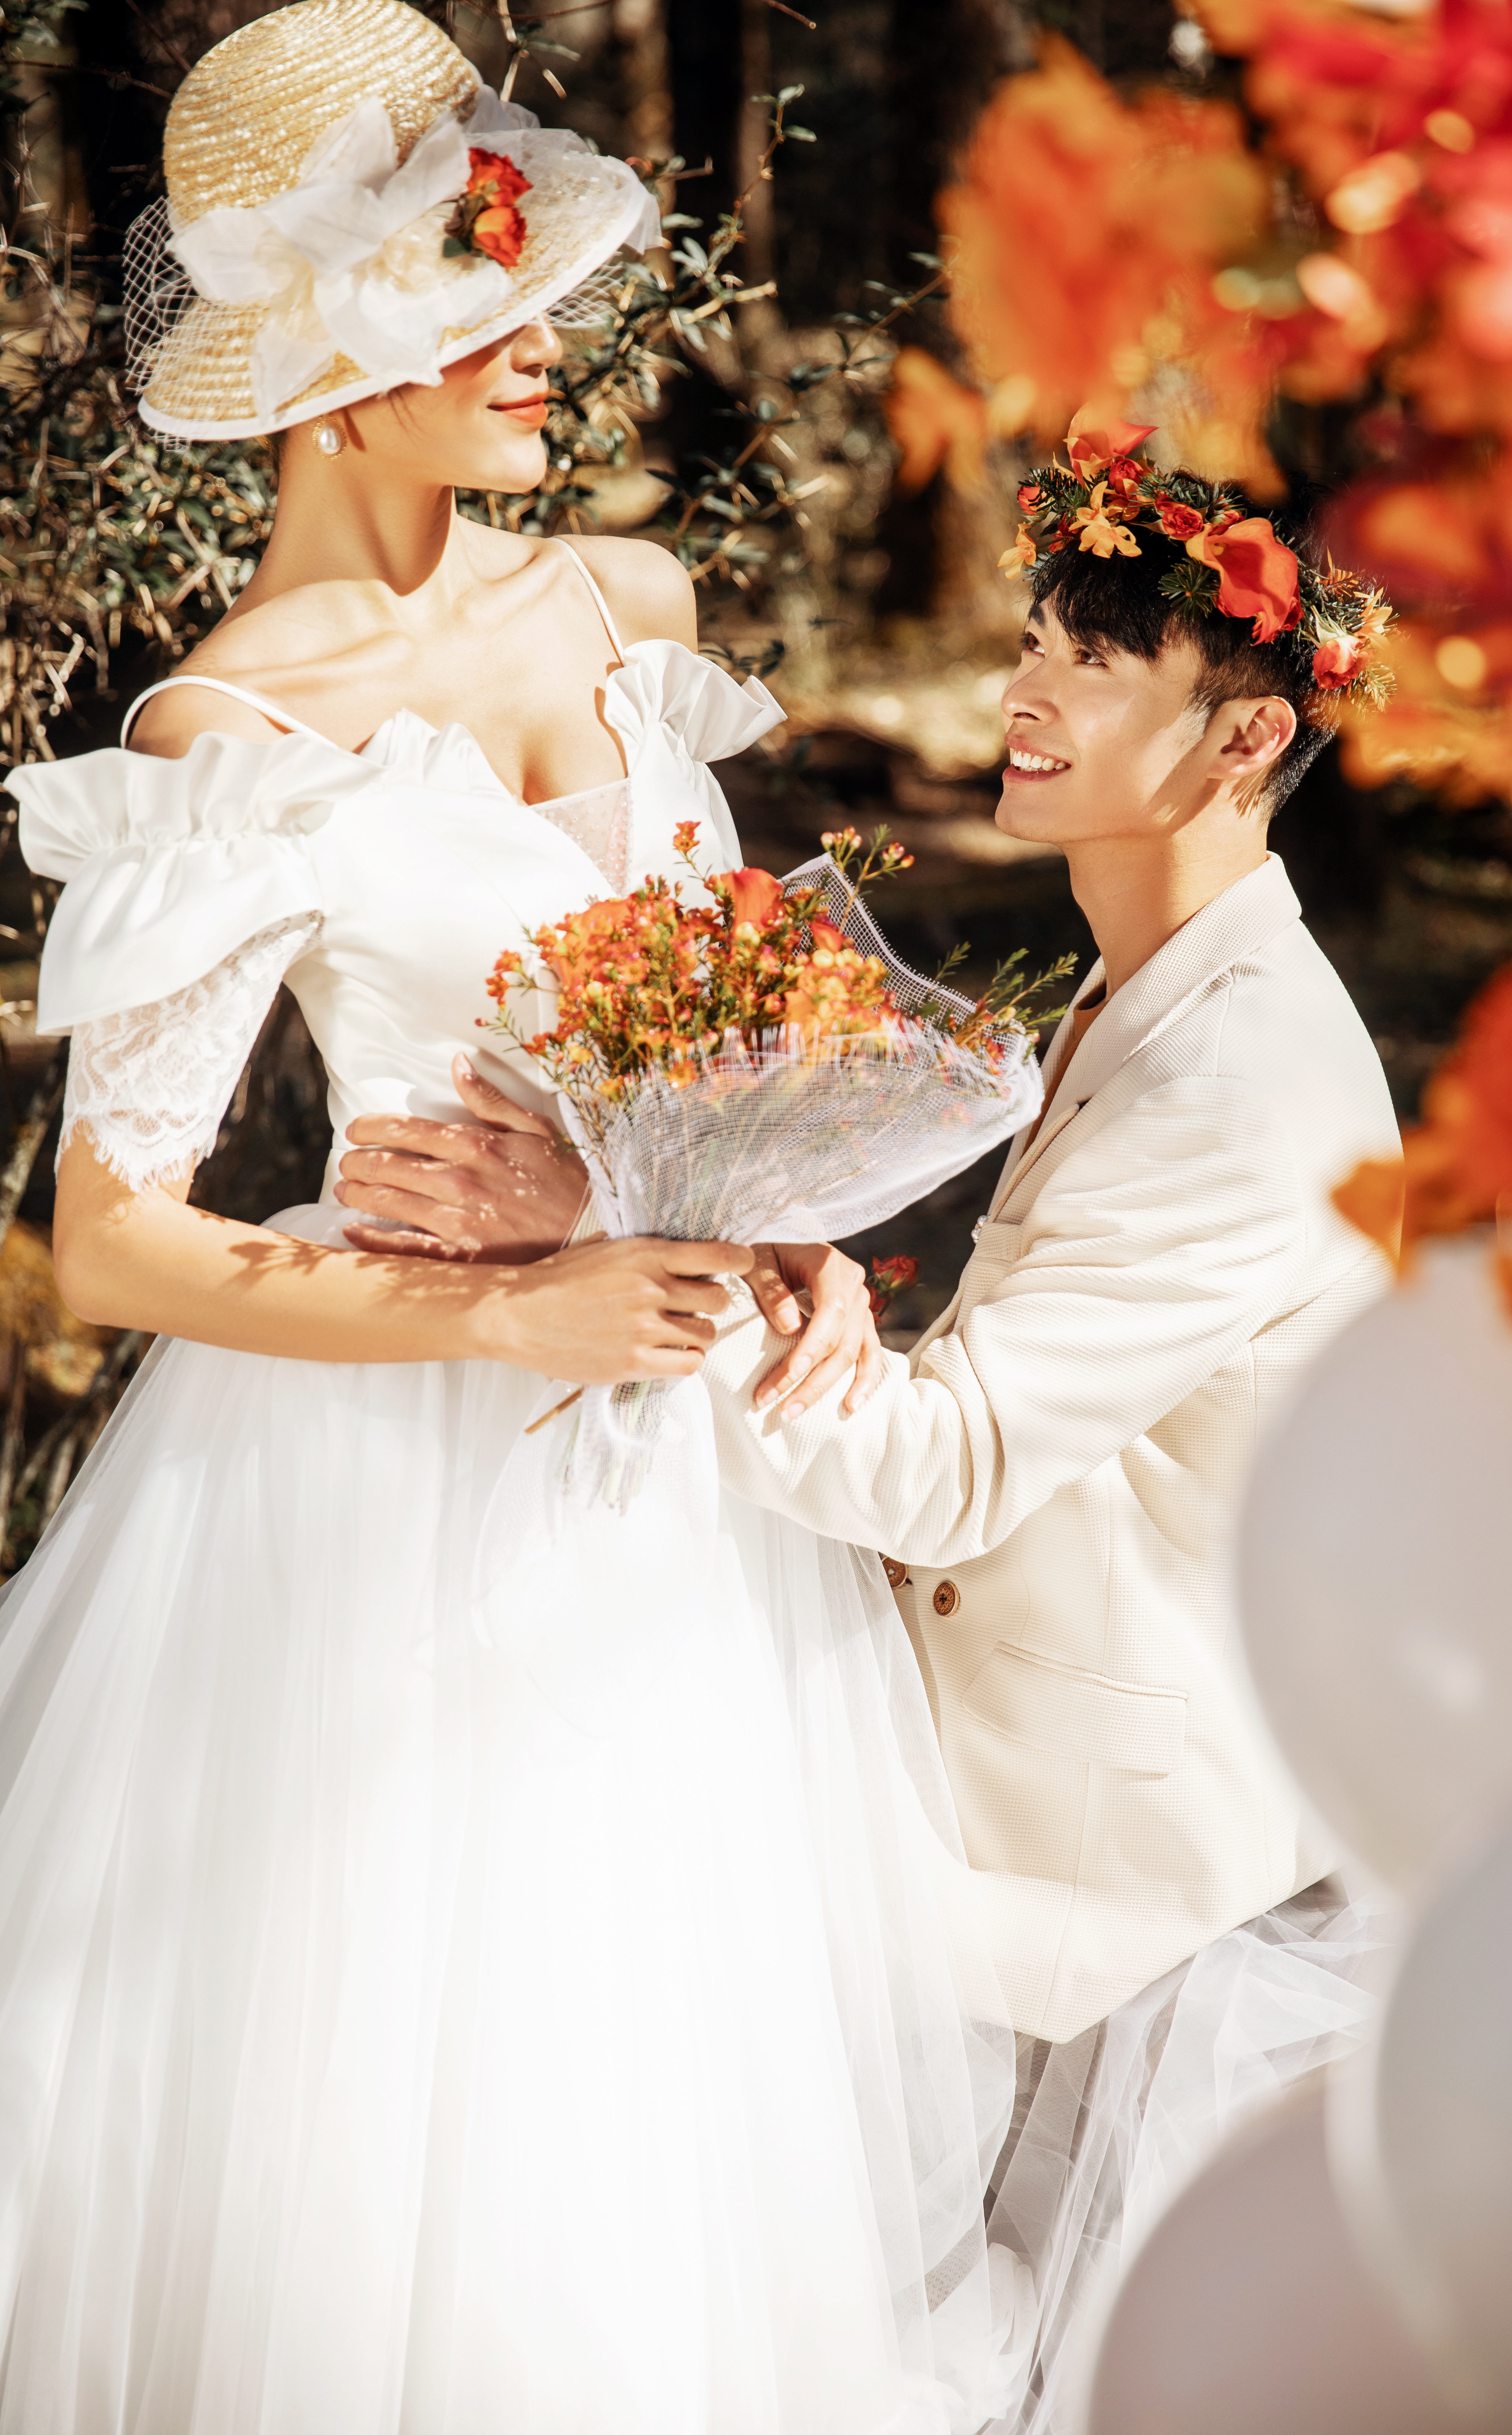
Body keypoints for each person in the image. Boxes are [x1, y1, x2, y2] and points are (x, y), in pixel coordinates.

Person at [0, 4, 1026, 2424]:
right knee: (412, 2111)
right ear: (336, 373)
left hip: (678, 1475)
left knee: (670, 2100)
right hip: (379, 1505)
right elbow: (112, 1237)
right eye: (483, 297)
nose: (551, 336)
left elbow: (722, 1041)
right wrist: (498, 1320)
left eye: (537, 281)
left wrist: (770, 1224)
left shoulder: (629, 611)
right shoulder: (230, 737)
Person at [366, 437, 1403, 2420]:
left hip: (1092, 1890)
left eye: (1095, 663)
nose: (1026, 692)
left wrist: (629, 1246)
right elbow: (1053, 1400)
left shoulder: (1243, 1076)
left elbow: (954, 1470)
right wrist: (804, 1282)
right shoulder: (1151, 994)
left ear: (1247, 734)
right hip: (1014, 1782)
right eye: (1035, 641)